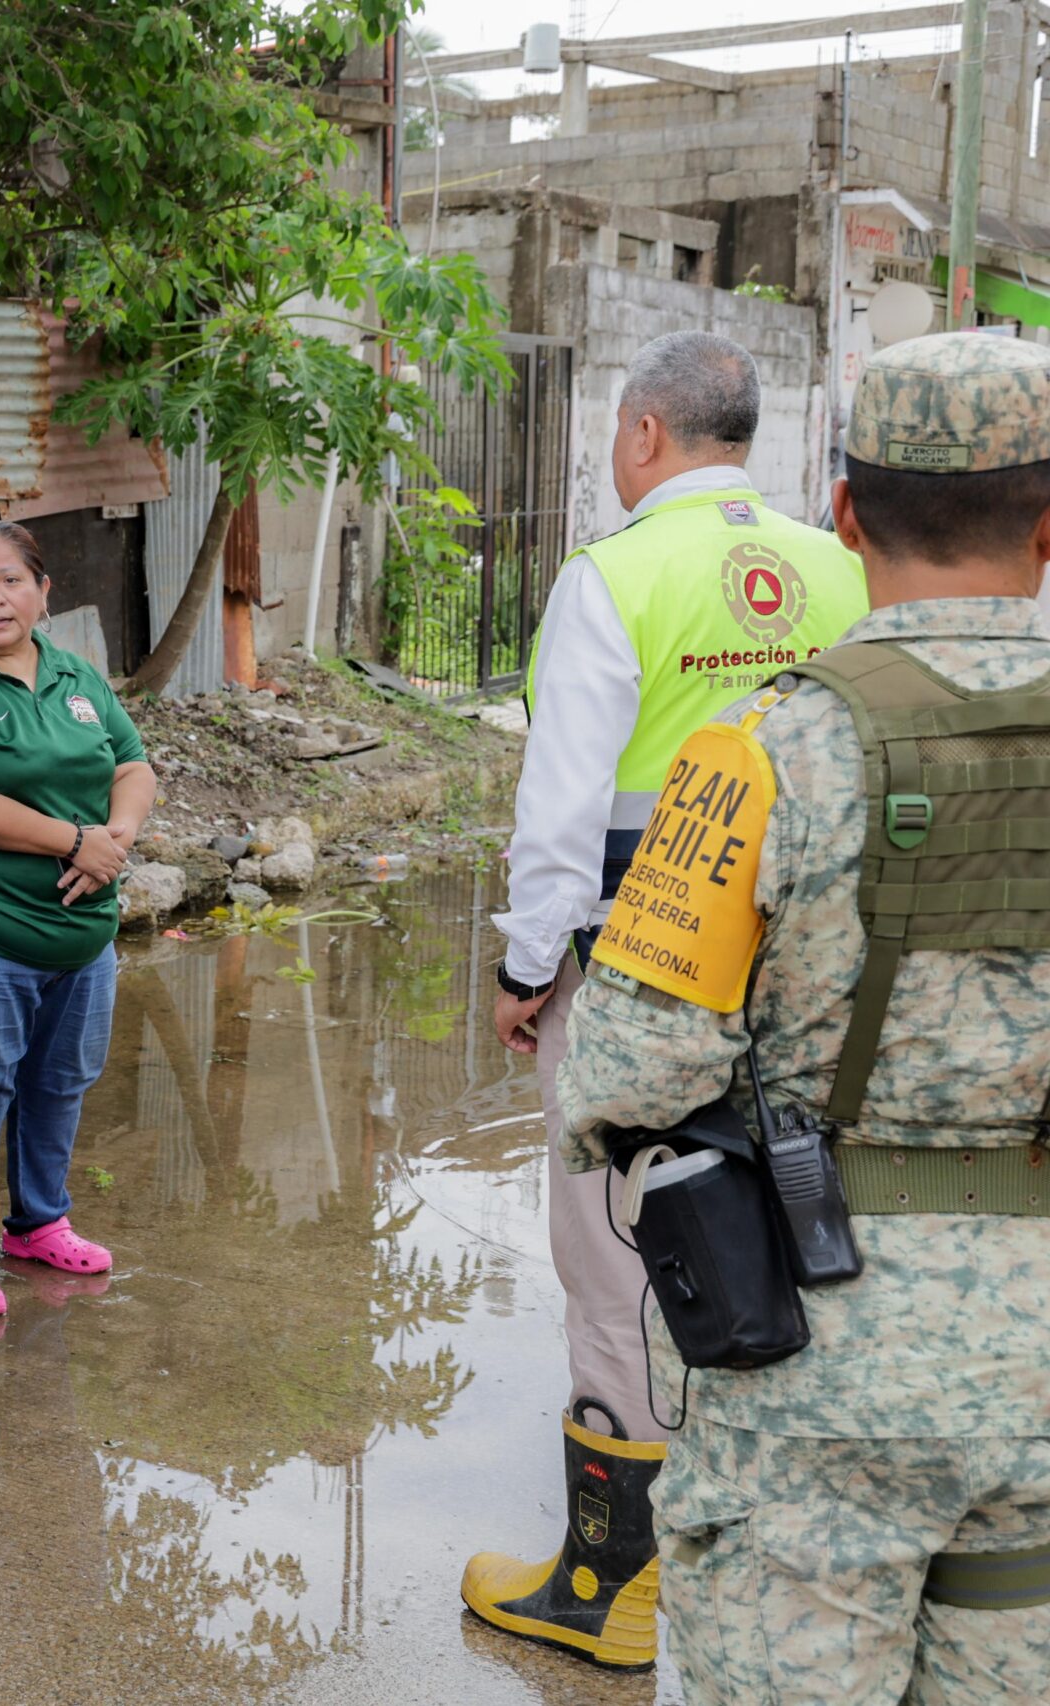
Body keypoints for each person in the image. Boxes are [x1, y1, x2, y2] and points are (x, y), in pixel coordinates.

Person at [558, 331, 1050, 1702]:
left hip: (811, 1366)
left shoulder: (758, 755)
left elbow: (627, 1070)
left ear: (842, 512)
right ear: (1048, 525)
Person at [463, 330, 867, 1669]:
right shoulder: (835, 565)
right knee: (795, 1225)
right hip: (808, 970)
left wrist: (528, 970)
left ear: (642, 433)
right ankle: (764, 1540)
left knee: (615, 1255)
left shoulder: (614, 574)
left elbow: (563, 808)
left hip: (642, 969)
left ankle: (610, 1584)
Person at [0, 518, 154, 1319]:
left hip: (84, 937)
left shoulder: (75, 673)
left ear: (44, 591)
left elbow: (132, 764)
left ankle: (40, 1224)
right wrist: (76, 840)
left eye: (10, 580)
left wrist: (114, 840)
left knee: (60, 1083)